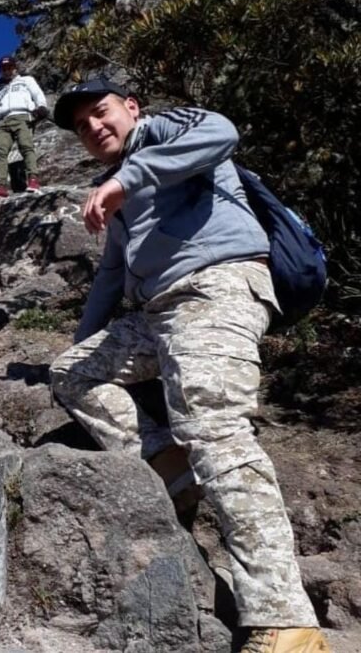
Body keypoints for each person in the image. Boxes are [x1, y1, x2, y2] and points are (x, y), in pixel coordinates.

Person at [49, 77, 330, 653]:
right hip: (158, 312)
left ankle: (286, 622)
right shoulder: (111, 188)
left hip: (217, 286)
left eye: (100, 113)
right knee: (72, 374)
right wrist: (82, 343)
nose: (93, 128)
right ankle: (169, 467)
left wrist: (129, 180)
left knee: (215, 429)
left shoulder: (164, 130)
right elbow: (109, 278)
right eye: (81, 126)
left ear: (130, 107)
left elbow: (222, 133)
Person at [0, 55, 48, 197]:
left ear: (15, 68)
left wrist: (41, 106)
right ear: (0, 70)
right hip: (3, 122)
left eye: (9, 67)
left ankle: (33, 180)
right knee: (0, 152)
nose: (7, 71)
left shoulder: (26, 81)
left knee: (26, 147)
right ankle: (1, 186)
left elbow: (37, 94)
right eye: (4, 68)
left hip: (22, 116)